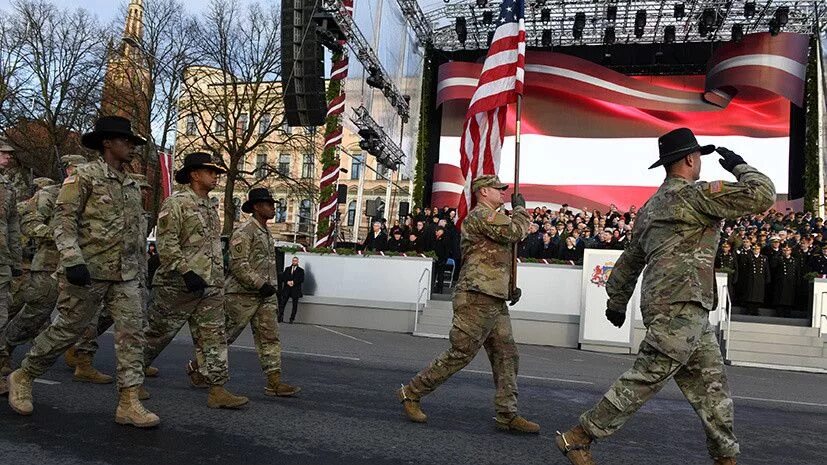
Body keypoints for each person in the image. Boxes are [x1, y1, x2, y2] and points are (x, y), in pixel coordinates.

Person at [554, 128, 775, 465]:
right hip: (680, 307)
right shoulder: (698, 195)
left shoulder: (651, 206)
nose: (699, 161)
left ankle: (726, 458)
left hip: (683, 307)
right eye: (698, 156)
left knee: (712, 390)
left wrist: (616, 301)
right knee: (648, 375)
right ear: (689, 159)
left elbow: (631, 258)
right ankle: (579, 437)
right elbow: (762, 195)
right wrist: (740, 166)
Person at [7, 116, 158, 427]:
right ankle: (24, 374)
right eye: (125, 141)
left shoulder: (131, 184)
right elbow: (64, 222)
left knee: (133, 334)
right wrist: (73, 260)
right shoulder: (84, 177)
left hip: (126, 275)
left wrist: (141, 272)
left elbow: (133, 235)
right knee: (68, 329)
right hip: (88, 271)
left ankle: (128, 401)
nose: (131, 146)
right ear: (107, 143)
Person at [396, 175, 540, 434]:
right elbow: (513, 232)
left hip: (493, 297)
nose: (503, 193)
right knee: (461, 352)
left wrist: (509, 289)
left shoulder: (493, 216)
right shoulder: (479, 215)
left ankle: (507, 413)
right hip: (476, 296)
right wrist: (521, 210)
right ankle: (412, 392)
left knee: (506, 354)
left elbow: (496, 259)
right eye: (499, 189)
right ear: (484, 191)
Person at [143, 151, 248, 409]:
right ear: (194, 175)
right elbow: (166, 243)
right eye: (210, 172)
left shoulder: (211, 208)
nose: (215, 177)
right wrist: (185, 271)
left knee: (214, 337)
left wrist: (217, 278)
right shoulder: (176, 203)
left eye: (216, 173)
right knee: (157, 334)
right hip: (177, 284)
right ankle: (131, 378)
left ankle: (218, 389)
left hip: (209, 285)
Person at [191, 188, 300, 397]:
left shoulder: (266, 232)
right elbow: (239, 265)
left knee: (270, 337)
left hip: (264, 296)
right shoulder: (245, 231)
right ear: (257, 207)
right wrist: (261, 284)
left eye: (272, 204)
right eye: (268, 204)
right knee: (223, 338)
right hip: (241, 295)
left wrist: (270, 288)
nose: (273, 208)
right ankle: (198, 369)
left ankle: (274, 382)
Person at [0, 156, 88, 379]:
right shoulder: (50, 194)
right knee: (36, 314)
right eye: (78, 170)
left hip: (78, 264)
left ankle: (82, 359)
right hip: (48, 263)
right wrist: (57, 234)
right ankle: (5, 348)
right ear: (68, 170)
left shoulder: (89, 197)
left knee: (82, 315)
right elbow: (28, 223)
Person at [0, 139, 22, 395]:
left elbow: (13, 227)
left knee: (2, 316)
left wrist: (16, 261)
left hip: (2, 261)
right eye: (4, 154)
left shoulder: (9, 188)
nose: (8, 158)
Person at [734, 244, 770, 315]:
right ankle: (749, 310)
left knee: (758, 296)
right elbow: (745, 269)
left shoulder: (764, 258)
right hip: (751, 279)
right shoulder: (749, 257)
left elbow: (766, 269)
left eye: (757, 249)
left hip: (760, 280)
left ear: (760, 250)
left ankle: (756, 310)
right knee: (750, 295)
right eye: (754, 249)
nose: (756, 250)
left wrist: (767, 279)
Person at [770, 244, 801, 317]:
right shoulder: (779, 259)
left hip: (791, 282)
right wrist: (777, 255)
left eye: (788, 250)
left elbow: (797, 272)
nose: (786, 252)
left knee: (789, 298)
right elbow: (773, 267)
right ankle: (779, 312)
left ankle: (787, 312)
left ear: (790, 251)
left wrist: (798, 282)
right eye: (784, 250)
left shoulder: (794, 260)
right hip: (781, 281)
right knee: (780, 297)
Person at [279, 256, 304, 324]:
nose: (294, 262)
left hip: (295, 290)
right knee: (282, 304)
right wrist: (287, 282)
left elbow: (301, 279)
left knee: (294, 305)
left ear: (298, 262)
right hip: (287, 289)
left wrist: (294, 282)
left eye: (295, 261)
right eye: (293, 260)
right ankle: (280, 317)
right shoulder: (287, 269)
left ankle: (292, 319)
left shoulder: (301, 270)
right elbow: (283, 277)